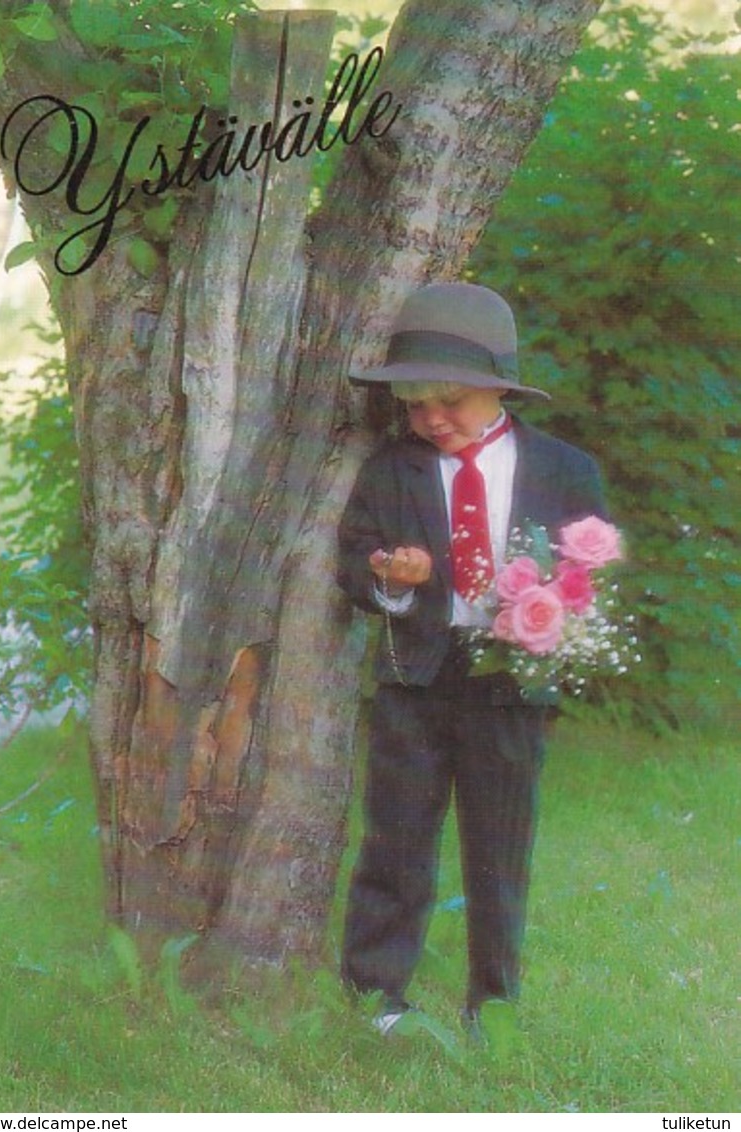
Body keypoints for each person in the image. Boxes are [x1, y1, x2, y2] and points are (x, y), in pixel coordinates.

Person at [337, 281, 607, 1038]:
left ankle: (492, 1002)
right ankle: (376, 997)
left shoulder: (562, 469)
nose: (430, 419)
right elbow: (352, 555)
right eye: (414, 403)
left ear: (496, 392)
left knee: (498, 847)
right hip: (415, 675)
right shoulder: (394, 468)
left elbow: (589, 573)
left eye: (448, 400)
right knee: (395, 839)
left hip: (508, 685)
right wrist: (388, 576)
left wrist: (547, 612)